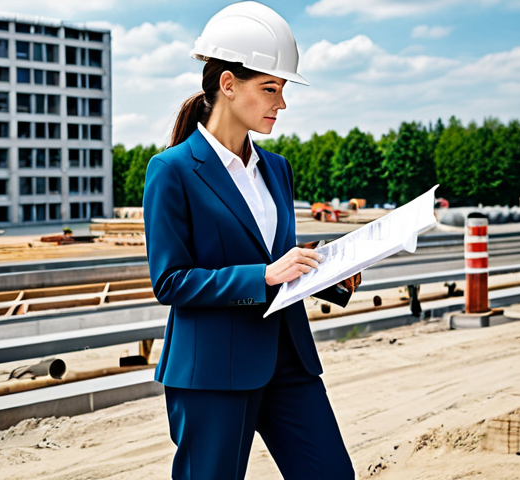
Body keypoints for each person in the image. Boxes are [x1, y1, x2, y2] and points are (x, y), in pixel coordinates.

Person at [143, 3, 359, 479]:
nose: (280, 104)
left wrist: (331, 275)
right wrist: (263, 276)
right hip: (213, 369)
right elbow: (171, 282)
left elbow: (277, 259)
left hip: (289, 361)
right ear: (227, 85)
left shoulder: (277, 168)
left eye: (281, 90)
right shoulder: (172, 171)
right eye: (270, 89)